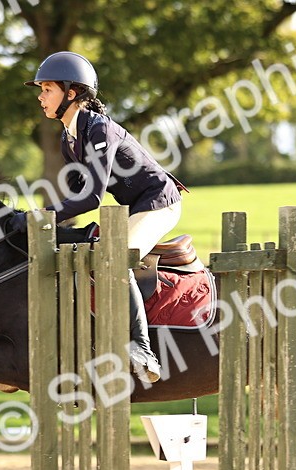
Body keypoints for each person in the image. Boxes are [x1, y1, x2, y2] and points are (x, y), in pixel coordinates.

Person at [19, 51, 185, 383]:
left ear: (71, 93)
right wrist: (43, 219)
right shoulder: (69, 140)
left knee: (113, 258)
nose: (40, 96)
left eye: (47, 89)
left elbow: (91, 197)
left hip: (159, 202)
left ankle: (142, 348)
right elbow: (76, 197)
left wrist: (43, 215)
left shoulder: (99, 131)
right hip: (133, 208)